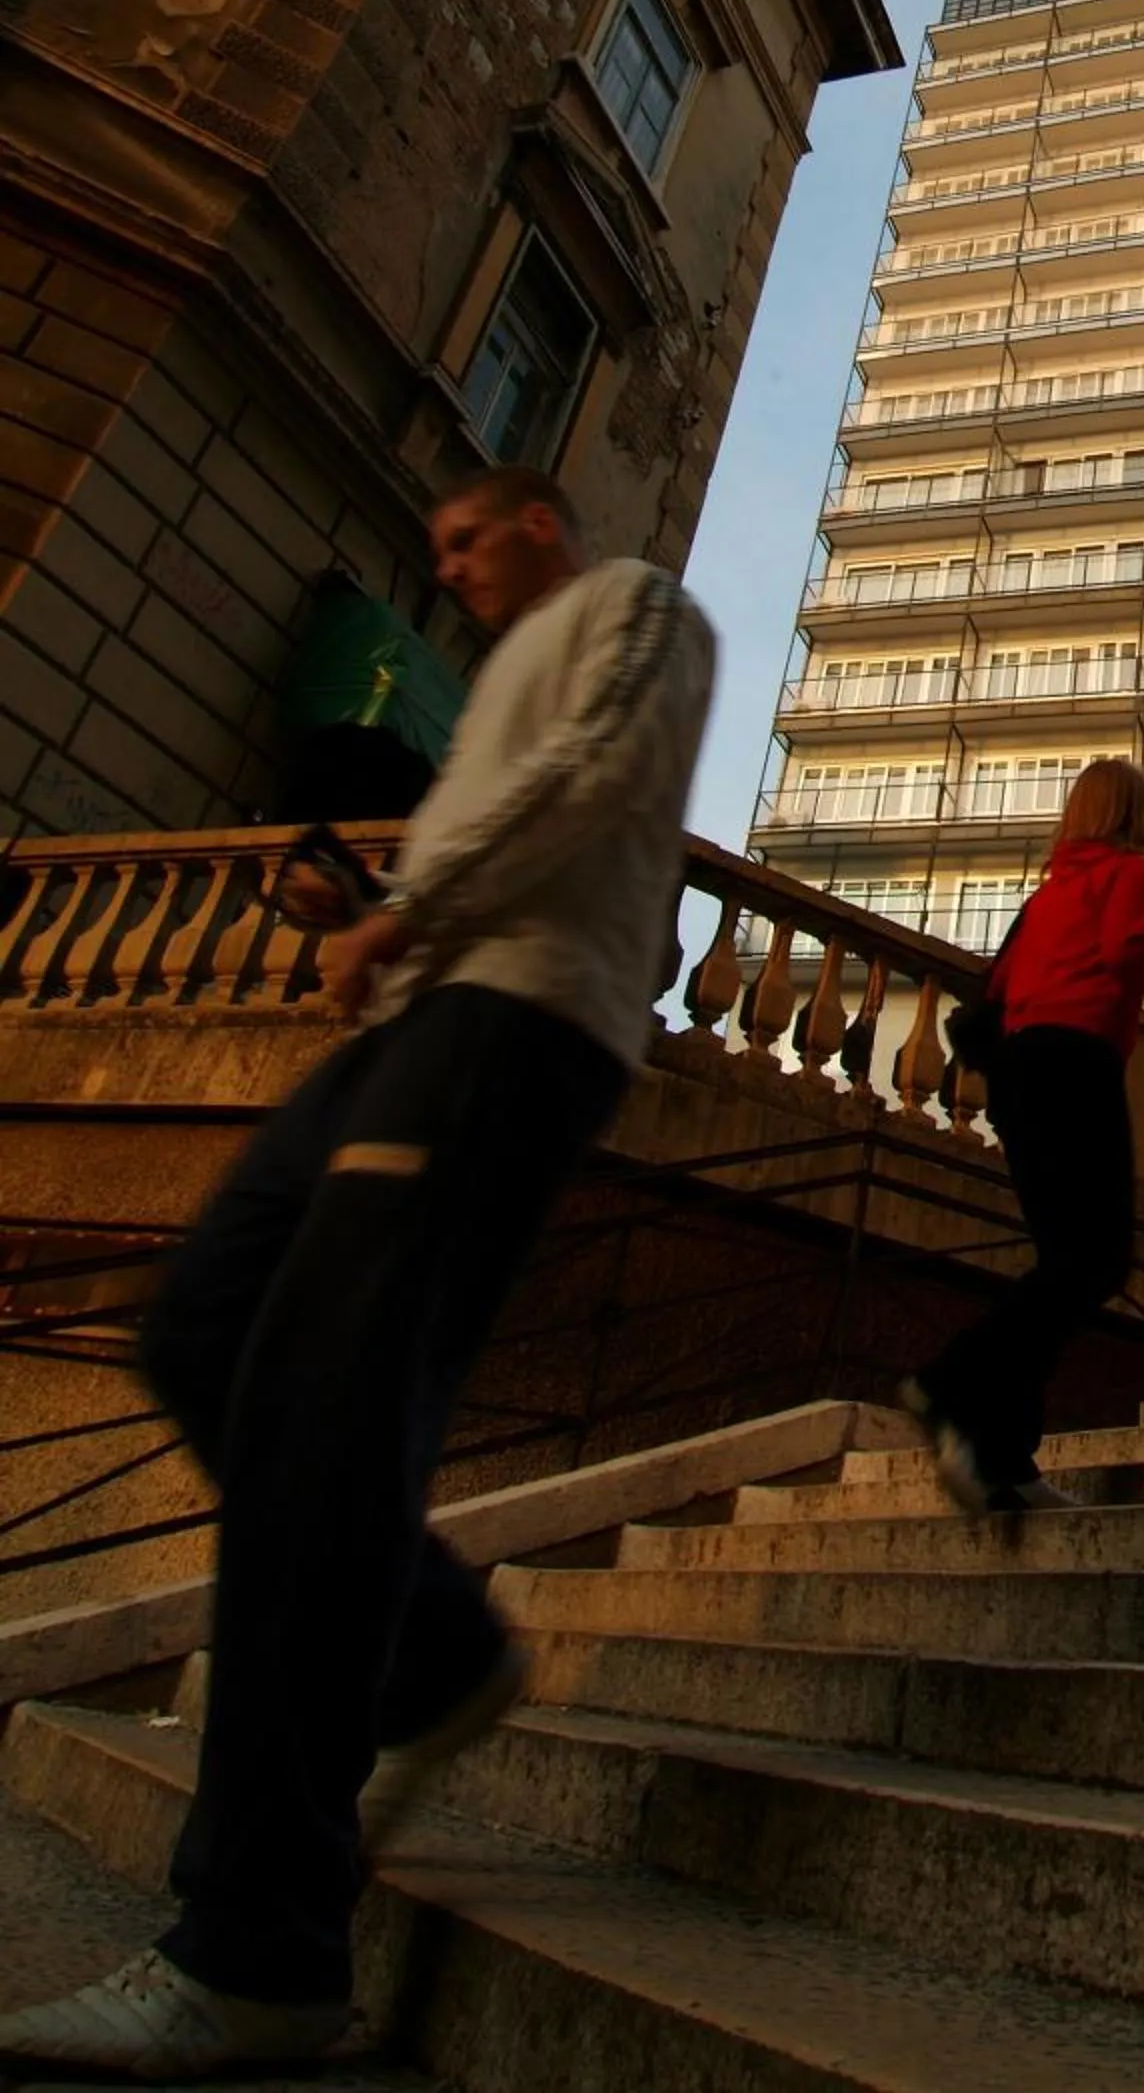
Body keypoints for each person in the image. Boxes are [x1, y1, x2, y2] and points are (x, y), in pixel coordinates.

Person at [0, 466, 713, 2083]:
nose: (448, 568)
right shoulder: (491, 685)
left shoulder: (637, 610)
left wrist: (411, 918)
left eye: (470, 539)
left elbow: (595, 777)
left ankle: (256, 1955)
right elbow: (504, 805)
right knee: (200, 1328)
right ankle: (438, 1652)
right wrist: (380, 906)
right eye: (440, 551)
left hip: (508, 1025)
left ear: (539, 519)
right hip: (413, 1012)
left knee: (323, 1421)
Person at [903, 757, 1144, 1515]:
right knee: (1095, 1262)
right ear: (1138, 816)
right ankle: (948, 1383)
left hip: (1018, 1075)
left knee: (1062, 1263)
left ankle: (1004, 1455)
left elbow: (997, 992)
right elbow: (1129, 955)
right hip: (1077, 1067)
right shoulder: (1130, 876)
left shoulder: (1048, 897)